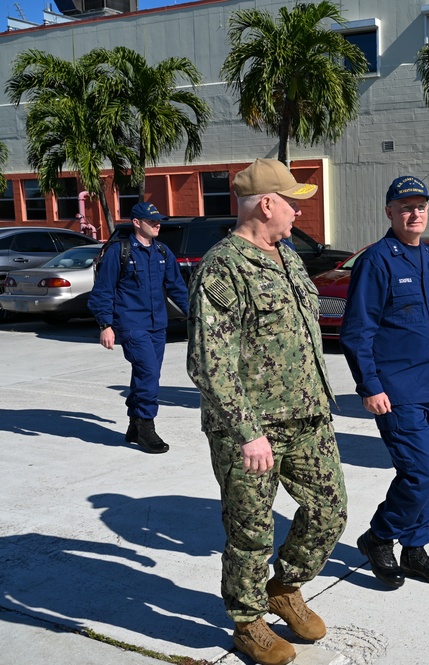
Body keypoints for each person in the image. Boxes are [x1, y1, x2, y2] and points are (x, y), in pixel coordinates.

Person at [186, 158, 347, 665]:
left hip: (308, 417)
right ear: (267, 204)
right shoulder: (223, 266)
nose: (299, 211)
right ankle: (248, 620)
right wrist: (247, 431)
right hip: (252, 431)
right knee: (251, 533)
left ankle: (285, 586)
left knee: (330, 512)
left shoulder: (287, 255)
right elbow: (209, 362)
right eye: (293, 202)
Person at [340, 175, 429, 589]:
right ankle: (379, 537)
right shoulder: (377, 261)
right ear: (389, 212)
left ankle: (415, 547)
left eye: (420, 205)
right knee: (419, 472)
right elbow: (357, 331)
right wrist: (369, 386)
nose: (414, 213)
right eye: (405, 207)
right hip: (397, 391)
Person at [88, 201, 188, 454]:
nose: (157, 225)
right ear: (136, 223)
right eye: (151, 221)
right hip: (132, 324)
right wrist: (105, 325)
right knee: (149, 373)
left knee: (145, 375)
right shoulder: (119, 252)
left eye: (158, 221)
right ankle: (146, 427)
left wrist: (195, 316)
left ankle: (134, 425)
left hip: (158, 326)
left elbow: (177, 288)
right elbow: (103, 291)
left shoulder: (163, 252)